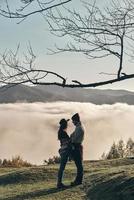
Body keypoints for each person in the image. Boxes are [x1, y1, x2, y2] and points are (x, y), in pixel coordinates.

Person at [70, 113, 84, 186]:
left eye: (73, 121)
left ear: (76, 120)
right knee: (79, 165)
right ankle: (78, 180)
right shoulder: (79, 127)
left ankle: (78, 181)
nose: (72, 123)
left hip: (77, 147)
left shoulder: (79, 128)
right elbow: (72, 135)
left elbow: (74, 139)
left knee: (79, 165)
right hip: (78, 146)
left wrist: (71, 140)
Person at [57, 118, 70, 189]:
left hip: (62, 150)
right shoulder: (63, 133)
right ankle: (59, 183)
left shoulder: (60, 132)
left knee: (62, 167)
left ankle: (59, 183)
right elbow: (68, 141)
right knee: (62, 167)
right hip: (64, 151)